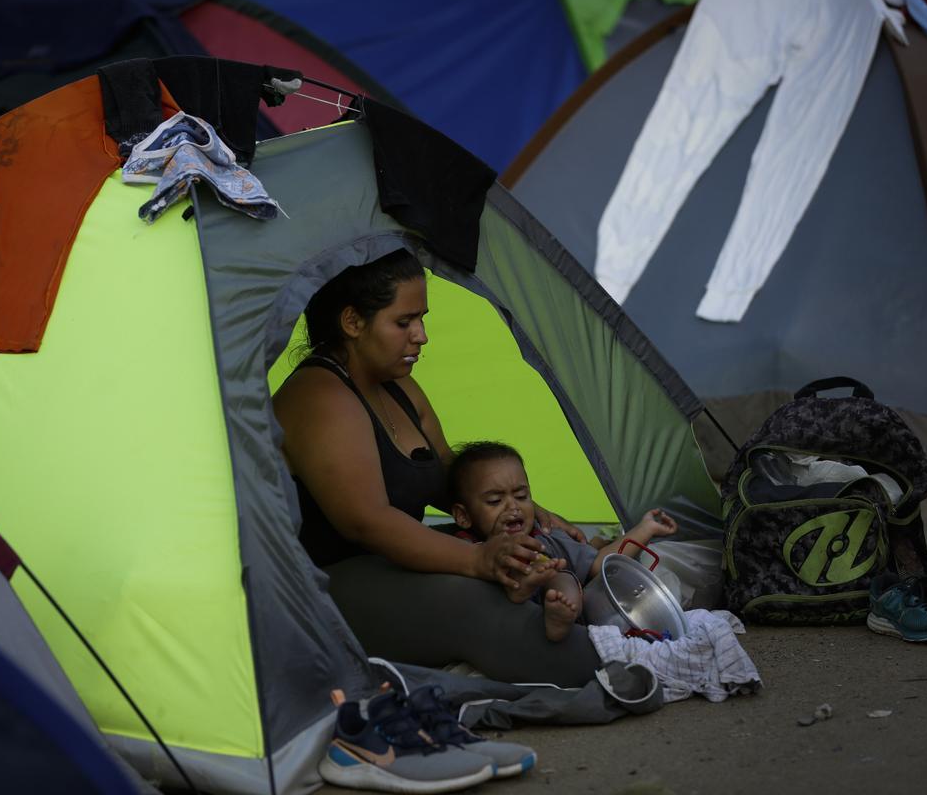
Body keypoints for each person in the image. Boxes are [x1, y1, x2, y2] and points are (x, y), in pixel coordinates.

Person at [273, 249, 616, 685]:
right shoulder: (320, 397)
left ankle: (618, 630)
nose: (422, 336)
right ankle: (621, 664)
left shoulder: (398, 385)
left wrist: (532, 514)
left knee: (534, 556)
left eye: (422, 318)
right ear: (353, 322)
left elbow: (450, 476)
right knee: (479, 596)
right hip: (327, 587)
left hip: (389, 566)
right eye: (404, 322)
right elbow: (368, 522)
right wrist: (476, 559)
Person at [447, 441, 678, 642]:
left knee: (560, 573)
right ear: (464, 516)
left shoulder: (547, 539)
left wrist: (646, 528)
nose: (513, 506)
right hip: (496, 625)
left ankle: (562, 612)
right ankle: (519, 583)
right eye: (495, 501)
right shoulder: (462, 549)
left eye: (521, 496)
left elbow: (598, 564)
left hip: (547, 612)